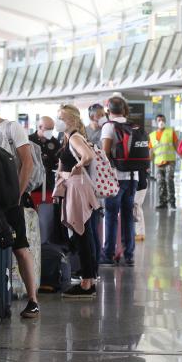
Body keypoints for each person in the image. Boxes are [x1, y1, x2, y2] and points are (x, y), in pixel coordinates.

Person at [0, 88, 40, 319]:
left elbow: (27, 163)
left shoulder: (12, 128)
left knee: (20, 248)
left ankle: (32, 300)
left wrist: (17, 195)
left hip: (9, 201)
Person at [53, 105, 99, 298]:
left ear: (71, 120)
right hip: (74, 188)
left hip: (76, 189)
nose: (58, 120)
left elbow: (88, 156)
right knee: (83, 232)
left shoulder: (74, 137)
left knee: (81, 233)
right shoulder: (69, 137)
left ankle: (87, 283)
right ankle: (88, 278)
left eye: (61, 117)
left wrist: (77, 167)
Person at [100, 96, 137, 267]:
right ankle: (129, 255)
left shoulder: (109, 127)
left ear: (109, 110)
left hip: (115, 178)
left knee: (111, 216)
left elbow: (105, 152)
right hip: (133, 177)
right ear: (124, 109)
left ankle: (108, 254)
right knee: (128, 217)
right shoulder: (134, 126)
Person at [86, 103, 107, 253]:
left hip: (102, 179)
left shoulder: (105, 132)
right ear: (92, 116)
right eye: (100, 115)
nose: (103, 117)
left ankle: (97, 253)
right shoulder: (83, 132)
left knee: (97, 218)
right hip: (86, 179)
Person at [28, 116, 60, 205]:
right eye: (48, 129)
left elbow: (58, 162)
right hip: (32, 186)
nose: (50, 131)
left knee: (47, 216)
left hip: (49, 185)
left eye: (52, 129)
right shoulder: (28, 140)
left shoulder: (55, 143)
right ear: (40, 127)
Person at [149, 114, 178, 210]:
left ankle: (172, 202)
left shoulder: (170, 132)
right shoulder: (152, 135)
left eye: (162, 120)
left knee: (169, 180)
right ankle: (163, 202)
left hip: (170, 161)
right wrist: (147, 164)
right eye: (159, 120)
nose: (161, 122)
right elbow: (151, 150)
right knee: (160, 183)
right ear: (156, 122)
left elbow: (176, 146)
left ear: (165, 121)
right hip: (158, 163)